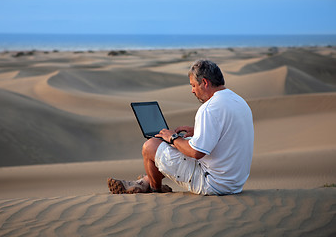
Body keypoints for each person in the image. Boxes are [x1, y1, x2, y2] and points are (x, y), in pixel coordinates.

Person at [108, 60, 254, 195]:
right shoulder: (238, 101)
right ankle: (144, 181)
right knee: (178, 145)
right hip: (234, 183)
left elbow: (196, 153)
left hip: (212, 183)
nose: (192, 91)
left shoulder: (209, 108)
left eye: (193, 85)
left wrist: (172, 138)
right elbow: (230, 134)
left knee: (151, 145)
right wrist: (197, 132)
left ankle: (155, 190)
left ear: (204, 82)